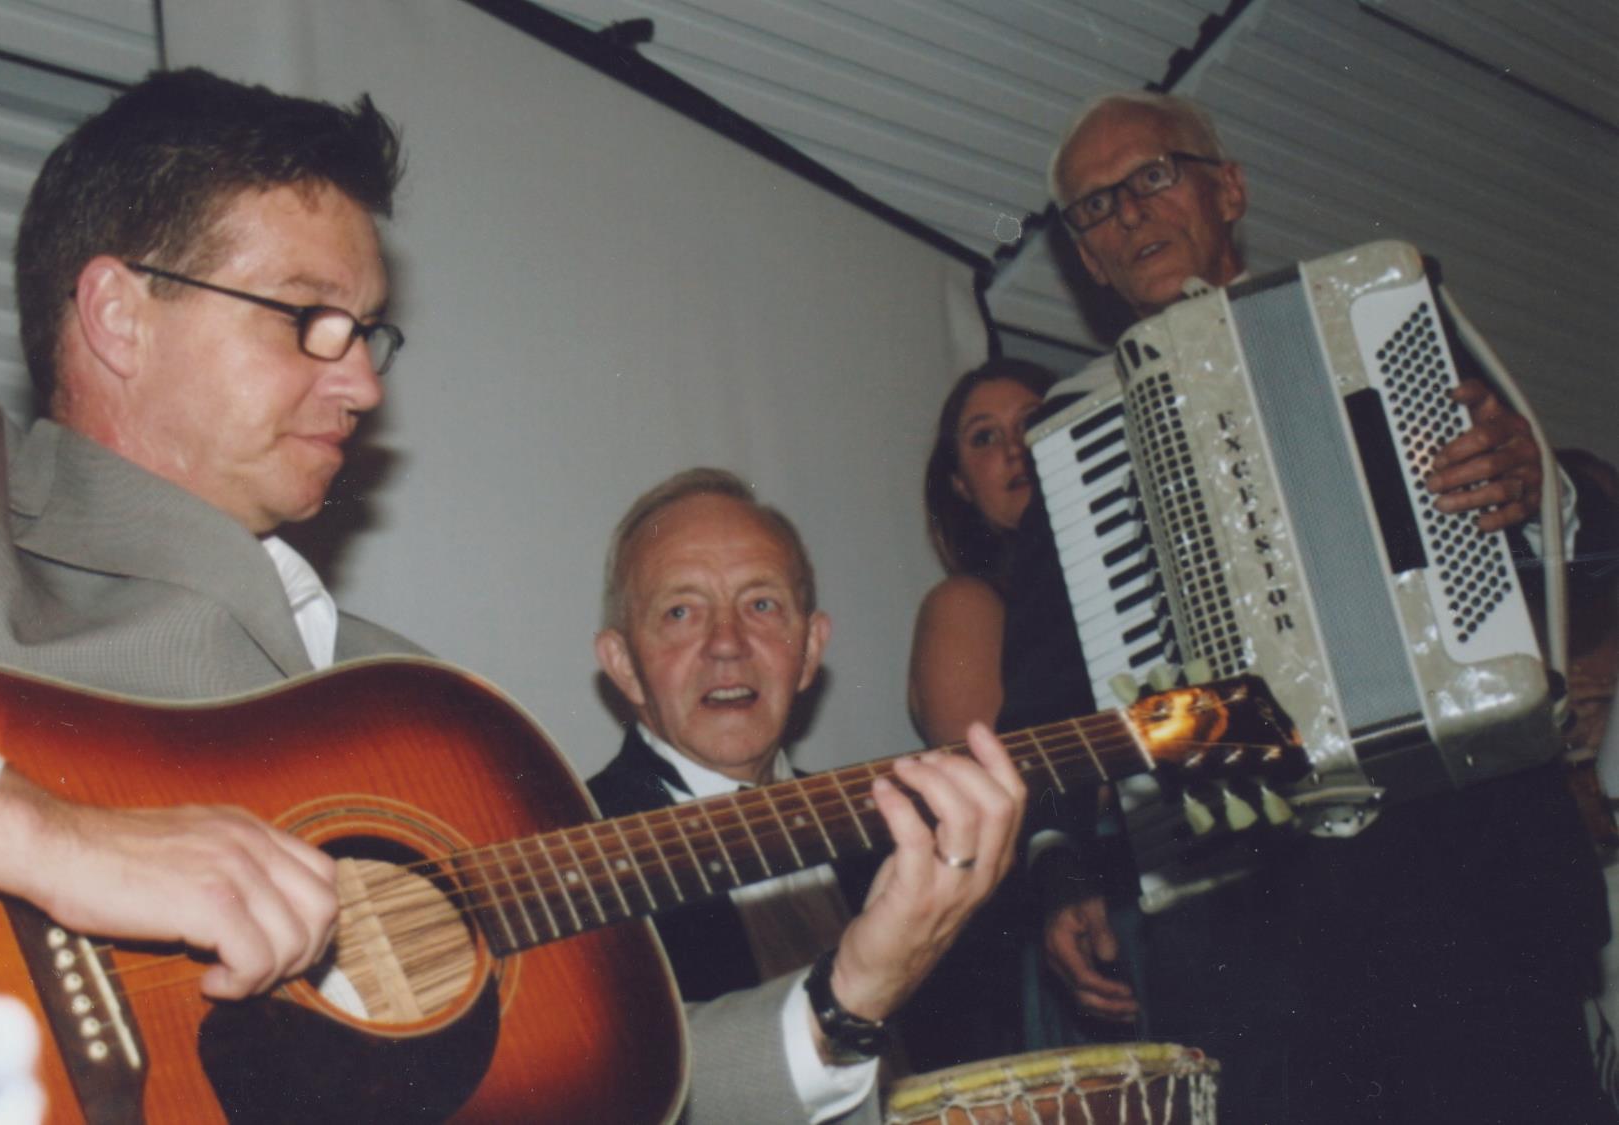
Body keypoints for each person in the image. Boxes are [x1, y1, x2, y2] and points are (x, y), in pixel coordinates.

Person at [0, 68, 1020, 1125]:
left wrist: (849, 997)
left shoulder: (416, 710)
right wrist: (69, 844)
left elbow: (577, 1074)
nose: (363, 382)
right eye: (307, 317)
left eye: (366, 332)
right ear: (118, 315)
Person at [1005, 90, 1615, 1124]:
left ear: (1229, 189)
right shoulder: (1076, 440)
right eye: (1093, 207)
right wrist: (1059, 865)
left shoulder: (1381, 318)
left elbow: (1583, 562)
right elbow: (1044, 698)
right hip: (1259, 924)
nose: (1127, 213)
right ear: (1086, 260)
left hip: (1472, 871)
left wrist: (1539, 492)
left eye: (1152, 175)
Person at [589, 469, 1026, 1109]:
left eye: (761, 605)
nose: (727, 645)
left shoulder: (893, 835)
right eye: (680, 612)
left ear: (811, 648)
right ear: (625, 665)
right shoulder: (572, 855)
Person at [907, 358, 1053, 747]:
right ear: (961, 484)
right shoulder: (965, 604)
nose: (1015, 448)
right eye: (985, 437)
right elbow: (990, 770)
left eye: (1031, 422)